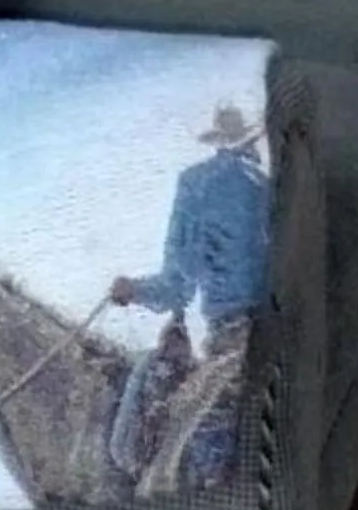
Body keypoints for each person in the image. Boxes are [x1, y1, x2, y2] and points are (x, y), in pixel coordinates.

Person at [107, 104, 271, 482]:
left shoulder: (197, 184)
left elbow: (175, 288)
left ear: (217, 141)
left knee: (150, 411)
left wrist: (133, 290)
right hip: (277, 337)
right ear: (250, 139)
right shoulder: (268, 187)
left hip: (232, 343)